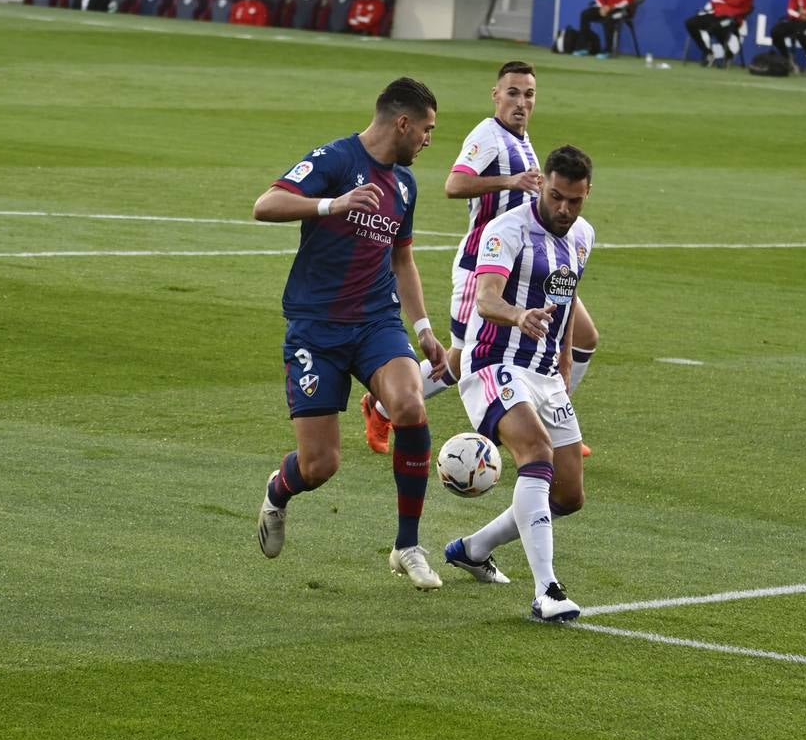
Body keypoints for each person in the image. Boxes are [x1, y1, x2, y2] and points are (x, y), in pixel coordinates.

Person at [253, 78, 450, 589]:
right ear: (402, 123)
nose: (429, 140)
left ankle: (407, 545)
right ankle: (279, 491)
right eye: (426, 129)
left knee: (410, 404)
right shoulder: (335, 160)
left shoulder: (404, 185)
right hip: (316, 329)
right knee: (321, 465)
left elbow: (401, 256)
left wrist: (425, 330)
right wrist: (330, 205)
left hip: (376, 323)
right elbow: (266, 204)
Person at [360, 61, 600, 460]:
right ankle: (382, 407)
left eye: (528, 94)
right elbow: (454, 184)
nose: (521, 102)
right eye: (512, 93)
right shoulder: (489, 135)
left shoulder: (523, 140)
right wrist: (509, 181)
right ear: (496, 95)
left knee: (584, 337)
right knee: (460, 360)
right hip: (484, 268)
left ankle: (555, 419)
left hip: (530, 269)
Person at [442, 145, 596, 622]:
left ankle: (473, 548)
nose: (564, 209)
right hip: (493, 362)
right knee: (536, 452)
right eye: (555, 197)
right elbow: (485, 300)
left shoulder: (584, 236)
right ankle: (547, 590)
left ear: (586, 194)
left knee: (568, 494)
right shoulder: (506, 230)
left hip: (546, 373)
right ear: (541, 186)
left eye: (574, 200)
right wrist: (518, 314)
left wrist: (566, 357)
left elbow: (566, 300)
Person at [684, 0, 754, 68]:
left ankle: (728, 54)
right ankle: (708, 53)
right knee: (690, 22)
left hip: (733, 18)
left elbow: (739, 1)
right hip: (717, 14)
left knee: (716, 26)